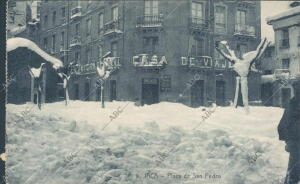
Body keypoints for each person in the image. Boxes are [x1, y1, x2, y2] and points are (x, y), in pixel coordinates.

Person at [278, 79, 300, 184]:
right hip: (295, 142)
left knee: (293, 172)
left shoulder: (293, 102)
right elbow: (283, 124)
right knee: (293, 173)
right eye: (296, 88)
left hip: (294, 142)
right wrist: (288, 140)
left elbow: (283, 124)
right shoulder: (293, 102)